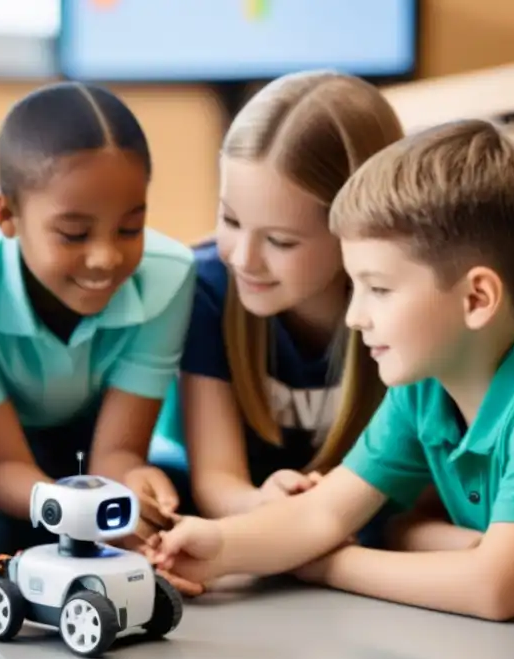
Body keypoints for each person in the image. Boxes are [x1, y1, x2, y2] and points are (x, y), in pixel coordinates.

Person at [150, 119, 514, 621]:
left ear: (476, 298)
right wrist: (219, 547)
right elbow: (324, 511)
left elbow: (492, 590)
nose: (355, 317)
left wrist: (329, 566)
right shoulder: (425, 388)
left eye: (378, 289)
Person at [0, 82, 196, 572]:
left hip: (78, 420)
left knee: (174, 500)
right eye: (74, 234)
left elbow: (117, 452)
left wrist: (127, 493)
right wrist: (87, 514)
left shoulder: (171, 275)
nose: (106, 258)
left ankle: (52, 485)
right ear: (7, 215)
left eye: (130, 228)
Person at [147, 72, 405, 542]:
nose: (243, 258)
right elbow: (217, 484)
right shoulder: (208, 289)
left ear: (357, 232)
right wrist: (263, 504)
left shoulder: (405, 307)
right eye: (230, 219)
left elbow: (407, 499)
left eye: (281, 241)